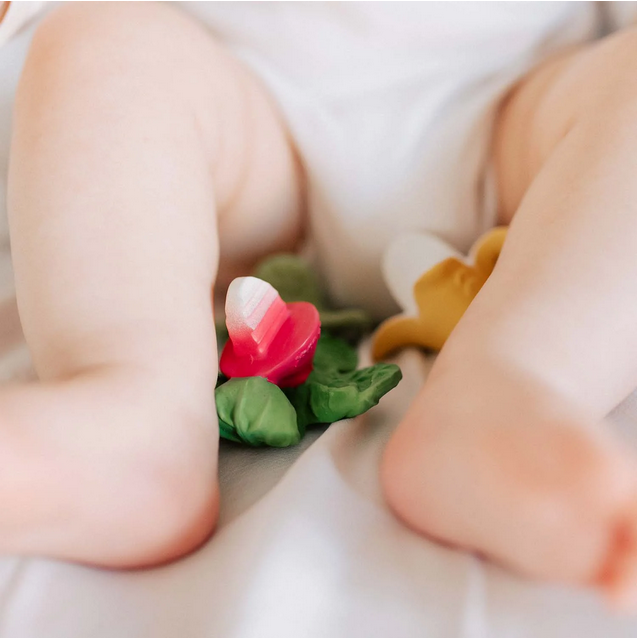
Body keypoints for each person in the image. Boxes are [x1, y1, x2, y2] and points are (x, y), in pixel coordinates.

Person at [0, 1, 635, 608]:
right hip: (254, 134)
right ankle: (134, 406)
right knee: (97, 44)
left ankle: (508, 388)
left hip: (519, 113)